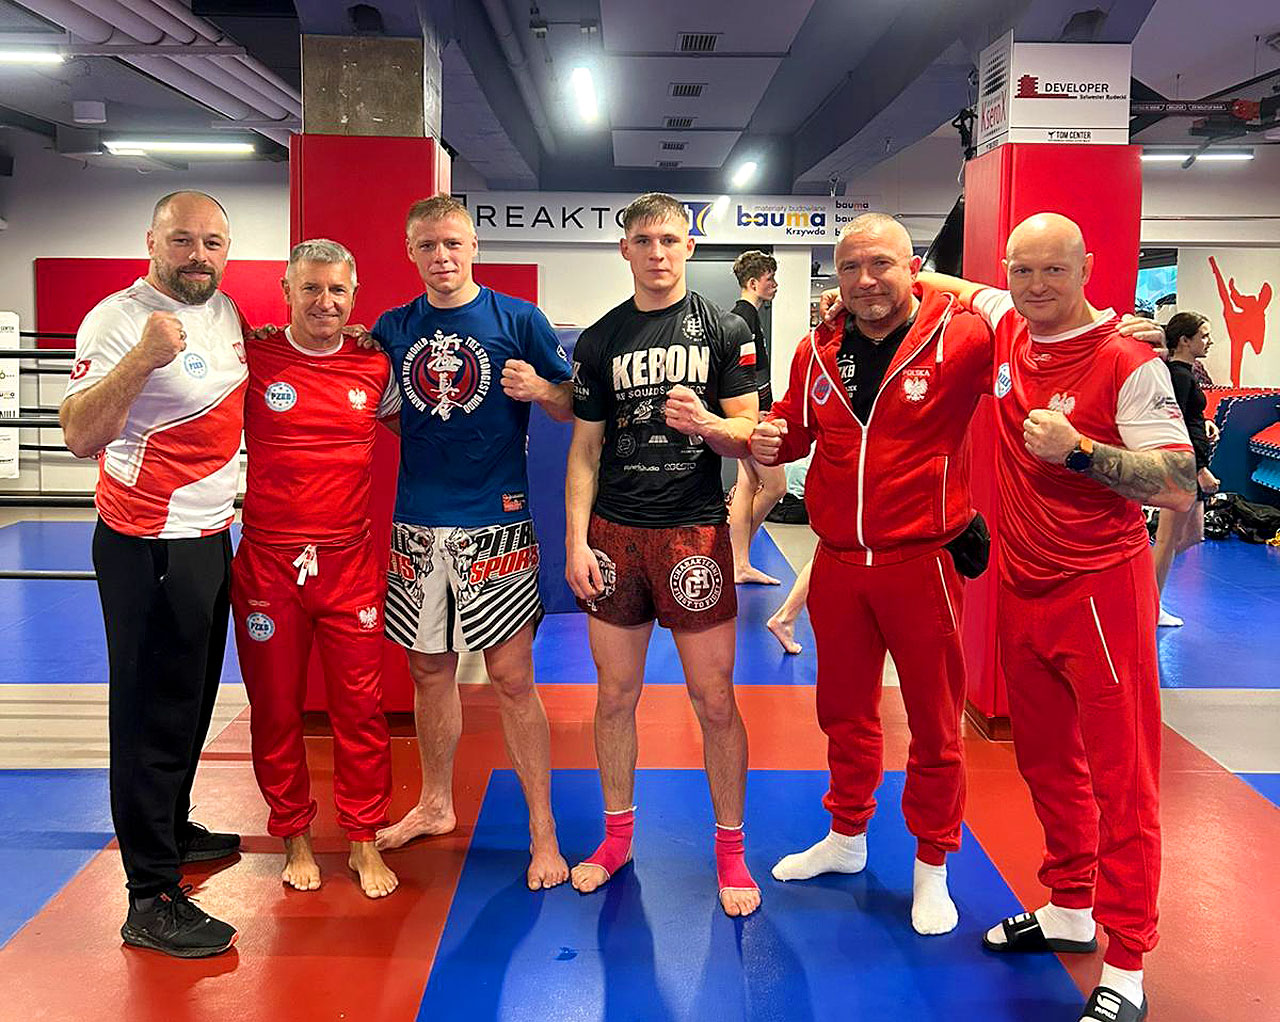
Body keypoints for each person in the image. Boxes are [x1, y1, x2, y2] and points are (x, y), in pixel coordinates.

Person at [922, 213, 1195, 1022]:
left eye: (1053, 270)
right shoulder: (1009, 326)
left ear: (1087, 267)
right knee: (1046, 763)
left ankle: (1129, 960)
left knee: (1123, 778)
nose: (1036, 286)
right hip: (1025, 589)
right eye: (1023, 270)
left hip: (1101, 595)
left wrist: (1080, 451)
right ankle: (1071, 907)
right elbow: (948, 283)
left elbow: (1180, 483)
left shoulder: (1129, 361)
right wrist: (871, 286)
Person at [749, 213, 996, 935]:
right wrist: (758, 436)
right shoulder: (817, 348)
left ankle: (932, 866)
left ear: (913, 266)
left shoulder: (961, 337)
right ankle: (846, 835)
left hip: (922, 563)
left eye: (881, 264)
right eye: (850, 268)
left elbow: (1031, 331)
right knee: (844, 713)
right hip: (836, 565)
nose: (865, 281)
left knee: (935, 724)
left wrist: (1113, 332)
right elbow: (793, 431)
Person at [565, 192, 762, 917]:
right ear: (625, 249)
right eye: (644, 240)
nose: (657, 252)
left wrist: (705, 422)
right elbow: (584, 451)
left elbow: (748, 436)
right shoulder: (600, 339)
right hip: (615, 534)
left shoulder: (726, 328)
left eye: (670, 240)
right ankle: (616, 839)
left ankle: (731, 852)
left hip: (693, 533)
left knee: (714, 699)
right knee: (615, 696)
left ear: (690, 246)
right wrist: (576, 540)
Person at [60, 191, 243, 957]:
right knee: (148, 717)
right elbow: (78, 434)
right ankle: (149, 895)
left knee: (190, 703)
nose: (198, 255)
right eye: (182, 240)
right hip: (147, 544)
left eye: (212, 242)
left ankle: (170, 828)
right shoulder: (117, 319)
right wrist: (141, 357)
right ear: (152, 242)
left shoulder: (225, 312)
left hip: (208, 537)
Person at [372, 195, 573, 891]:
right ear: (410, 251)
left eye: (453, 243)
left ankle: (542, 830)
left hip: (497, 520)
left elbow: (573, 405)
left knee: (513, 678)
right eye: (428, 245)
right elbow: (387, 410)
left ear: (474, 247)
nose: (442, 256)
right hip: (418, 520)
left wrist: (541, 387)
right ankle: (435, 802)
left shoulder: (518, 319)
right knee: (428, 669)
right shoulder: (393, 327)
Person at [231, 239, 400, 898]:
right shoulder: (255, 357)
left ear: (354, 296)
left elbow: (426, 429)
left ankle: (362, 839)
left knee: (361, 711)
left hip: (349, 564)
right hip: (268, 567)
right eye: (311, 288)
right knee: (276, 710)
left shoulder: (374, 364)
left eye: (337, 290)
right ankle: (294, 836)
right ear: (287, 291)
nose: (325, 302)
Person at [1151, 312, 1220, 627]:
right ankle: (1150, 605)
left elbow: (1188, 417)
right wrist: (1199, 469)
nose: (1209, 341)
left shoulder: (1186, 374)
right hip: (1183, 467)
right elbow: (1174, 426)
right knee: (1167, 540)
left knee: (1193, 535)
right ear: (1184, 341)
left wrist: (1205, 422)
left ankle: (1143, 579)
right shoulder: (1178, 375)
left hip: (1190, 464)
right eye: (1203, 336)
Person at [727, 250, 788, 584]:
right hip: (754, 418)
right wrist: (756, 416)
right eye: (770, 279)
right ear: (753, 283)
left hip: (756, 415)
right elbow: (741, 376)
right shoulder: (742, 319)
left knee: (748, 484)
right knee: (775, 486)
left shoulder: (749, 317)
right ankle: (734, 556)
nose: (775, 285)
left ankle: (738, 561)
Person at [1209, 255, 1272, 386]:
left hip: (1245, 327)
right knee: (1226, 302)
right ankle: (1235, 382)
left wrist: (1232, 289)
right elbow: (1236, 300)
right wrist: (1232, 289)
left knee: (1227, 302)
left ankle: (1235, 381)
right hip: (1238, 325)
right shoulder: (1254, 303)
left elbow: (1237, 300)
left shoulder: (1256, 305)